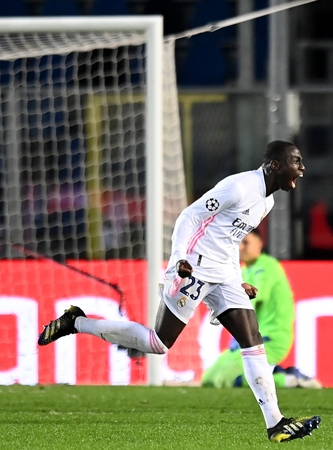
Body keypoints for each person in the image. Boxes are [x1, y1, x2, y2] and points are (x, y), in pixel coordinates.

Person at [37, 140, 320, 442]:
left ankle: (275, 423)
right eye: (296, 161)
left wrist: (236, 281)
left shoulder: (267, 202)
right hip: (194, 268)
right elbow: (189, 216)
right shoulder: (239, 188)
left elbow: (226, 242)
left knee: (253, 342)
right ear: (276, 165)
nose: (302, 169)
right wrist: (179, 259)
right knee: (158, 343)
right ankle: (77, 321)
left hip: (224, 273)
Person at [202, 229, 321, 389]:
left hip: (270, 338)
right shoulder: (243, 271)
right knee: (209, 379)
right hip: (248, 339)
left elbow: (256, 296)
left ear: (260, 244)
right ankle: (275, 372)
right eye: (239, 243)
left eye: (246, 242)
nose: (241, 248)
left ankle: (289, 378)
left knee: (234, 379)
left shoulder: (266, 266)